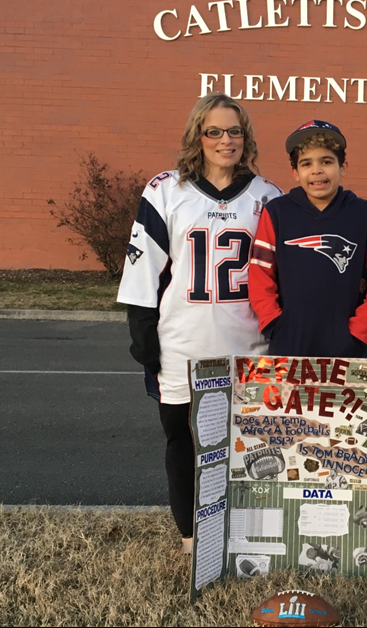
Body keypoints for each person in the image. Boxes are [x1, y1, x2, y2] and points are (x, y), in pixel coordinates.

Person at [117, 93, 282, 554]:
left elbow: (284, 275)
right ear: (197, 136)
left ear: (246, 137)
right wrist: (141, 329)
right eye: (214, 131)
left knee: (252, 444)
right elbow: (142, 266)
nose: (225, 140)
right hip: (181, 341)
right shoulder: (166, 189)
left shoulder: (268, 196)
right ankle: (191, 535)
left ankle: (247, 528)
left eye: (234, 131)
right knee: (183, 439)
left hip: (249, 343)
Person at [248, 120, 367, 357]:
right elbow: (260, 272)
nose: (317, 170)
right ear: (295, 173)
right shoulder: (277, 213)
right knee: (290, 397)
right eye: (306, 164)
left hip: (347, 347)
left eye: (326, 162)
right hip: (289, 343)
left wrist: (360, 333)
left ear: (343, 167)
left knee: (342, 397)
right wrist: (273, 324)